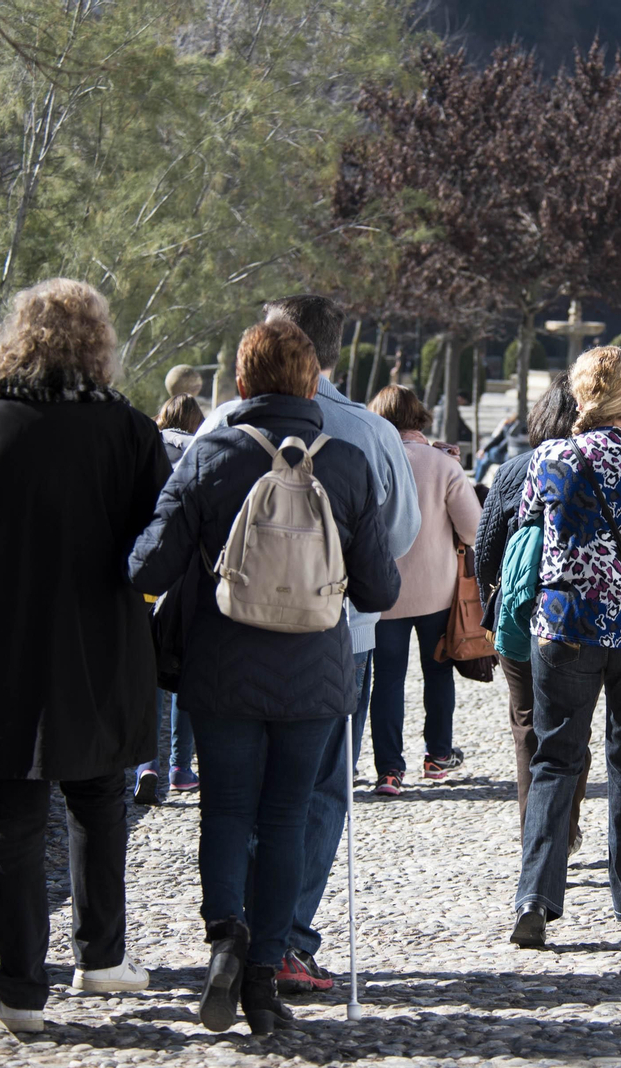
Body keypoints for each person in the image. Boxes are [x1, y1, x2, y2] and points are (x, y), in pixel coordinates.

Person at [0, 279, 170, 1033]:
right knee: (98, 800)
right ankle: (100, 955)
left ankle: (20, 991)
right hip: (97, 648)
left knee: (12, 824)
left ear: (18, 339)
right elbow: (161, 546)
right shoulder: (130, 431)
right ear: (98, 344)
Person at [128, 319, 400, 1033]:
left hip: (223, 669)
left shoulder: (212, 453)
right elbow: (380, 588)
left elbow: (149, 567)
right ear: (312, 384)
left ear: (242, 383)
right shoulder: (347, 463)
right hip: (315, 676)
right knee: (287, 817)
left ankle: (226, 934)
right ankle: (265, 976)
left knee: (225, 809)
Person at [257, 295, 420, 996]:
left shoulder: (220, 425)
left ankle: (239, 933)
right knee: (321, 789)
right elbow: (400, 534)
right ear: (332, 348)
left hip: (236, 633)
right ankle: (287, 937)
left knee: (240, 789)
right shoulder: (369, 432)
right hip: (339, 632)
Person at [510, 347, 621, 947]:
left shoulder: (552, 456)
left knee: (555, 759)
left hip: (565, 623)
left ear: (580, 393)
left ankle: (535, 898)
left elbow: (531, 520)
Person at [473, 377, 590, 850]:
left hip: (519, 614)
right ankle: (566, 828)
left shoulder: (512, 470)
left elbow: (484, 553)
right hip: (576, 616)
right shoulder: (592, 466)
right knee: (571, 727)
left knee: (526, 726)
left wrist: (493, 604)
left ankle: (535, 837)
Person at [366, 385, 482, 795]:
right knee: (438, 673)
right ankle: (438, 754)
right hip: (437, 590)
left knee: (387, 680)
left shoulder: (370, 459)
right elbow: (473, 529)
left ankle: (389, 770)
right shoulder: (442, 463)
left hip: (384, 592)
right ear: (419, 416)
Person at [133, 393, 207, 805]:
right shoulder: (200, 452)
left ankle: (146, 764)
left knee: (146, 673)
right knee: (181, 669)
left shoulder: (145, 449)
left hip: (143, 573)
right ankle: (180, 767)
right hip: (182, 580)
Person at [474, 412, 520, 483]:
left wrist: (487, 450)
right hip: (500, 452)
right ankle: (477, 480)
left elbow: (502, 443)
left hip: (505, 455)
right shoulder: (508, 427)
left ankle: (477, 481)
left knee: (486, 459)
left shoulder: (512, 429)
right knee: (483, 458)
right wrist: (484, 449)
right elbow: (496, 439)